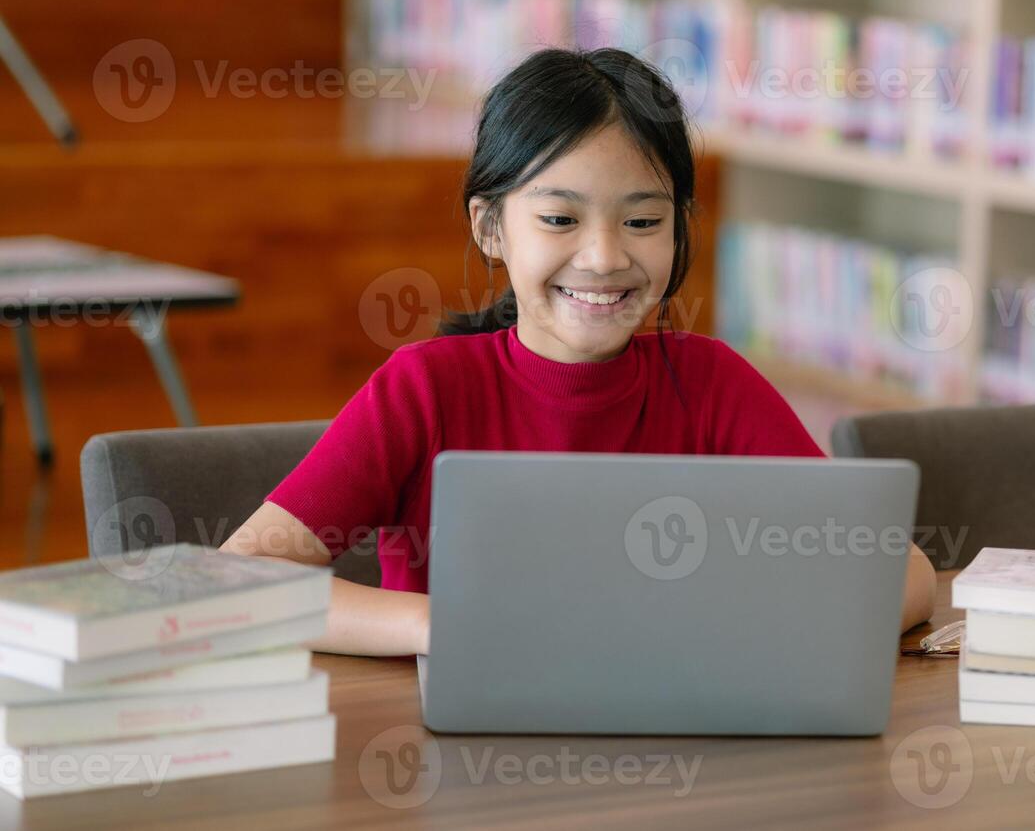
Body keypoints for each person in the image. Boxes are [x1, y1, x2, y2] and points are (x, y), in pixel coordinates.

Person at [221, 47, 937, 656]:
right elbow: (240, 578)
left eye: (643, 220)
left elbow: (905, 571)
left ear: (680, 227)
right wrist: (446, 625)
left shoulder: (710, 383)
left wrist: (742, 626)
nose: (603, 256)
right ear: (492, 227)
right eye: (560, 218)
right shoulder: (426, 388)